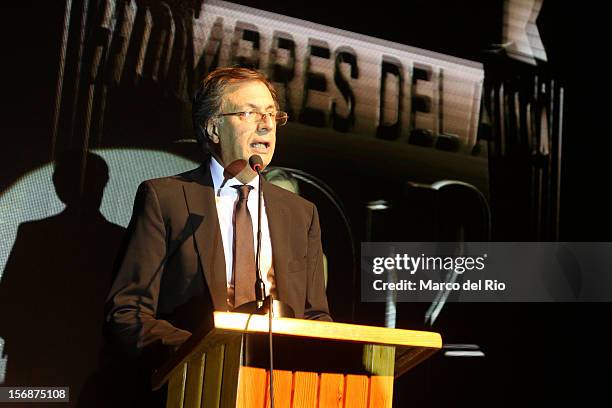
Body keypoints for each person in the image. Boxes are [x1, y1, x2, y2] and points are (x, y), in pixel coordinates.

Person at [104, 67, 331, 402]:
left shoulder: (301, 214)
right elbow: (128, 312)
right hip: (190, 389)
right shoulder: (166, 199)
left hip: (280, 392)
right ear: (213, 127)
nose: (266, 124)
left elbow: (315, 317)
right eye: (249, 112)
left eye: (271, 114)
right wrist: (204, 351)